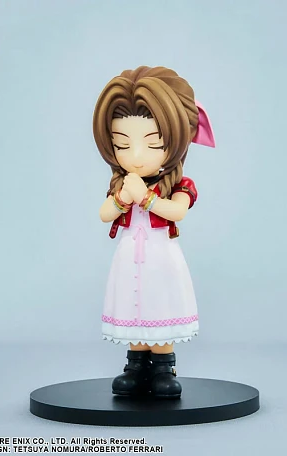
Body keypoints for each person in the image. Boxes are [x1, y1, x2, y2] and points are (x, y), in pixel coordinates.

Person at [93, 66, 215, 398]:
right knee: (133, 307)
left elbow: (177, 211)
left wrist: (146, 198)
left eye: (152, 144)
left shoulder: (177, 185)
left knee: (160, 304)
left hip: (162, 258)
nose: (135, 156)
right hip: (128, 257)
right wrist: (122, 198)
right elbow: (104, 214)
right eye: (122, 144)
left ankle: (163, 367)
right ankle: (135, 365)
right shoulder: (122, 184)